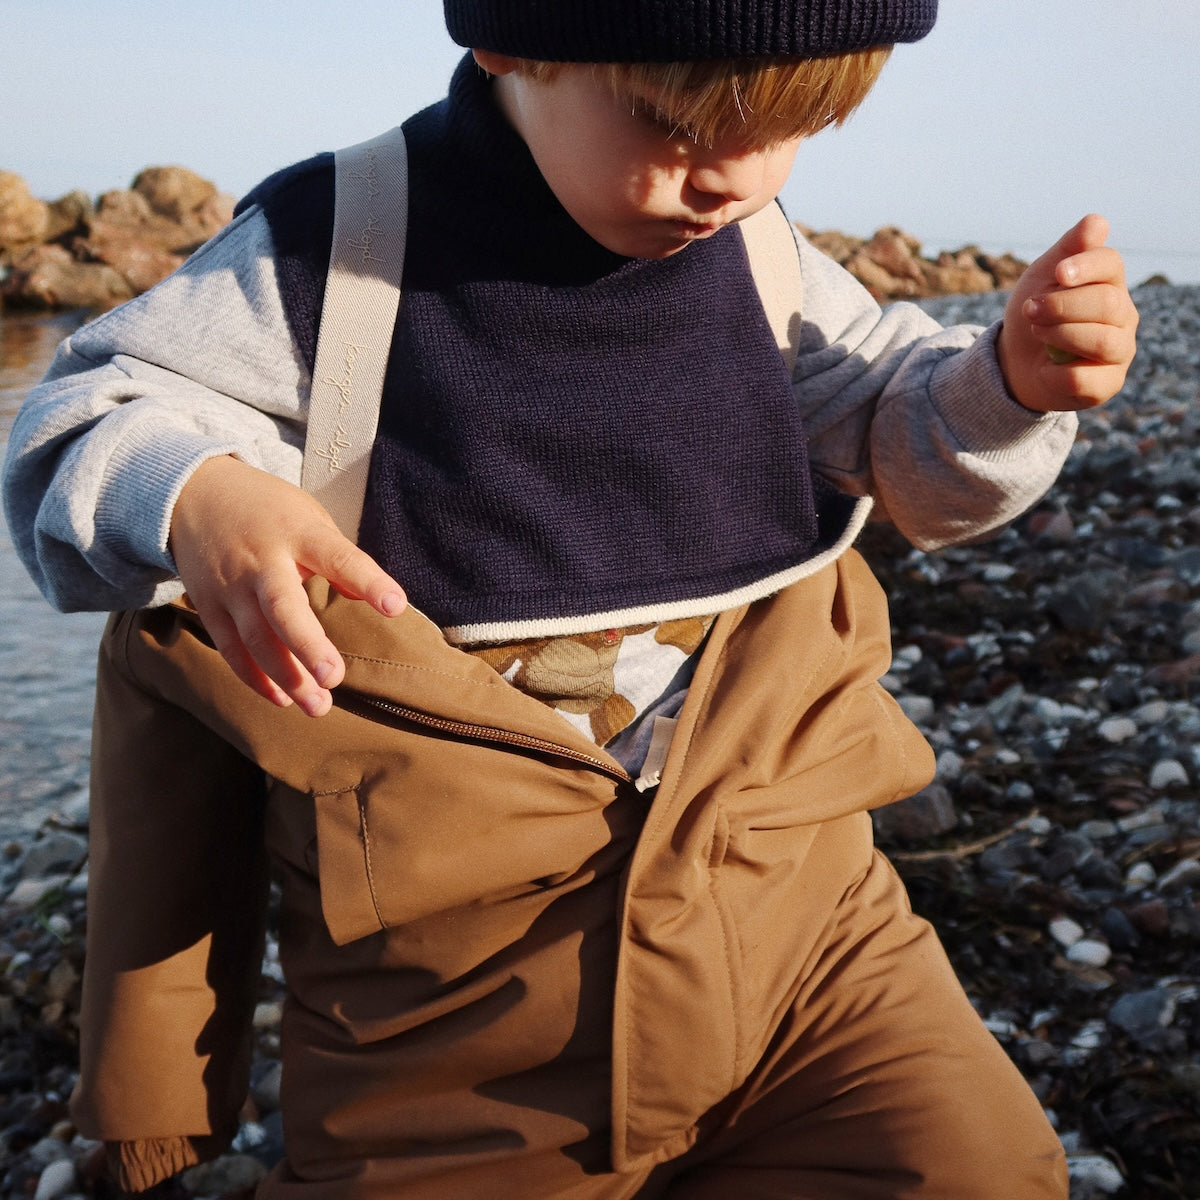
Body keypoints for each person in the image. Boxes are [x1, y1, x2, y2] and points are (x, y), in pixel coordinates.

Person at [3, 1, 1138, 1197]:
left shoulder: (760, 253)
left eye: (789, 131)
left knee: (987, 1169)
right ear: (514, 38)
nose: (732, 180)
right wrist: (200, 496)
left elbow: (897, 438)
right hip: (454, 1023)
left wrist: (1005, 387)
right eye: (672, 122)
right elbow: (82, 417)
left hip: (801, 938)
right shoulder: (334, 247)